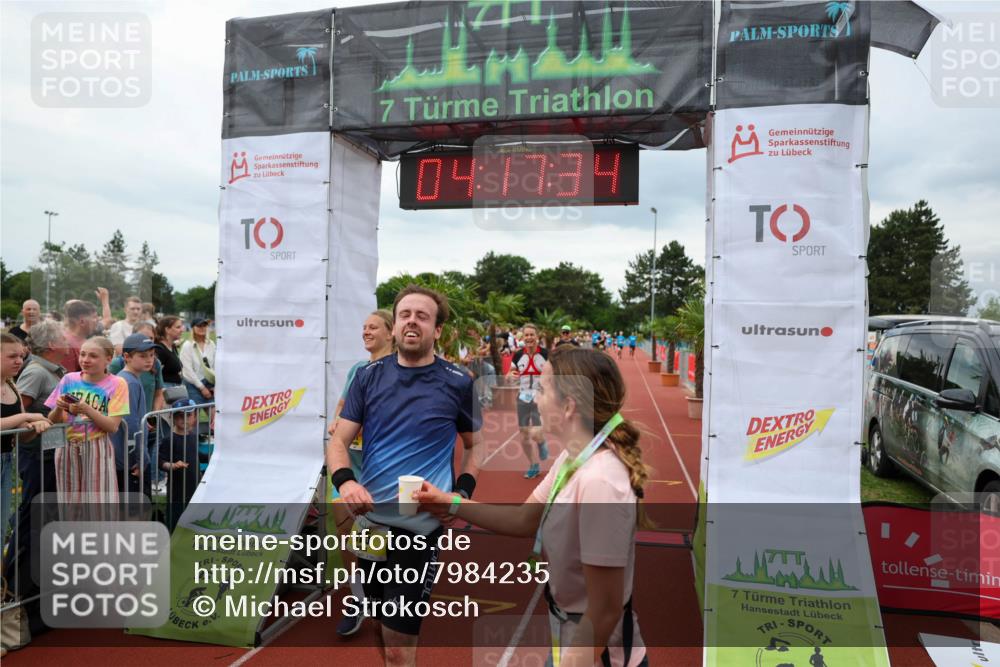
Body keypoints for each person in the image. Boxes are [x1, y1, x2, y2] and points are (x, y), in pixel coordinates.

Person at [416, 347, 650, 667]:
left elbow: (606, 607)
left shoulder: (600, 481)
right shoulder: (573, 458)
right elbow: (524, 518)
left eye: (542, 389)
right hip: (570, 640)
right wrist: (452, 503)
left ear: (568, 406)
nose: (535, 398)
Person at [327, 285, 482, 667]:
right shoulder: (367, 377)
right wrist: (346, 482)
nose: (412, 321)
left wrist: (459, 495)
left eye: (422, 316)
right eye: (405, 315)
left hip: (420, 528)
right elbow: (338, 441)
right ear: (394, 326)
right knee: (382, 626)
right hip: (371, 524)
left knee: (399, 643)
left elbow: (475, 446)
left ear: (437, 330)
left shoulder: (458, 382)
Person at [325, 309, 395, 637]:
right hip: (351, 465)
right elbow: (342, 409)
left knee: (378, 540)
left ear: (391, 333)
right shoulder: (357, 369)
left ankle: (381, 594)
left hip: (383, 468)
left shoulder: (400, 371)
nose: (366, 332)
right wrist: (338, 424)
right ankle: (357, 599)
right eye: (363, 327)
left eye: (373, 327)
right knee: (346, 532)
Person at [45, 336, 129, 505]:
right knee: (69, 502)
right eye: (83, 354)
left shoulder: (118, 383)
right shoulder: (69, 379)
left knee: (97, 504)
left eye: (93, 355)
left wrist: (87, 410)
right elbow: (52, 421)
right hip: (67, 446)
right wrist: (60, 407)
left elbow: (112, 426)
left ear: (108, 359)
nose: (85, 360)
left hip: (96, 446)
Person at [1, 334, 52, 540]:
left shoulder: (12, 385)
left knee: (2, 525)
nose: (19, 361)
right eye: (12, 356)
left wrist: (34, 426)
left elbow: (22, 435)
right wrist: (27, 416)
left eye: (21, 356)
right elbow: (19, 418)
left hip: (6, 461)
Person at [112, 333, 155, 496]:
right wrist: (140, 458)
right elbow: (130, 425)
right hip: (128, 460)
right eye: (142, 356)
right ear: (127, 357)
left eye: (151, 355)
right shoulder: (129, 383)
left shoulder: (126, 379)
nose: (149, 360)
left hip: (123, 457)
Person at [508, 323, 549, 479]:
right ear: (523, 338)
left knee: (536, 432)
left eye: (532, 335)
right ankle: (534, 465)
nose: (529, 338)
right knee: (524, 435)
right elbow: (509, 374)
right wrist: (510, 377)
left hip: (540, 399)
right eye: (527, 335)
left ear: (537, 337)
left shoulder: (546, 354)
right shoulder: (518, 355)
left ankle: (541, 442)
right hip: (523, 398)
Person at [158, 398, 200, 530]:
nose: (185, 419)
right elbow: (161, 462)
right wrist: (173, 465)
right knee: (175, 517)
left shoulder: (193, 436)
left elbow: (197, 456)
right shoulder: (169, 439)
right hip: (177, 489)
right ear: (173, 417)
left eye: (188, 415)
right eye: (180, 416)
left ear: (195, 416)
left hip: (194, 485)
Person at [108, 321, 165, 414]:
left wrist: (153, 417)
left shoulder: (155, 363)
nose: (146, 341)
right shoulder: (118, 364)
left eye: (150, 338)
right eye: (141, 337)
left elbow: (159, 394)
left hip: (146, 419)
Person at [17, 322, 68, 415]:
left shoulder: (53, 370)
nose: (67, 341)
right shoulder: (36, 373)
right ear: (52, 345)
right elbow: (15, 411)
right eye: (64, 339)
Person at [180, 318, 216, 406]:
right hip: (193, 385)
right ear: (193, 328)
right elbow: (187, 370)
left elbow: (215, 365)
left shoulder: (211, 344)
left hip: (210, 384)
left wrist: (216, 385)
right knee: (193, 418)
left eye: (204, 325)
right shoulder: (187, 346)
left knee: (214, 416)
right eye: (199, 326)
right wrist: (201, 387)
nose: (202, 328)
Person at [59, 299, 102, 372]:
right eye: (93, 317)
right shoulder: (66, 344)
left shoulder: (85, 341)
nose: (96, 320)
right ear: (82, 321)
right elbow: (67, 379)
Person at [153, 316, 185, 387]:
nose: (182, 330)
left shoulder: (172, 346)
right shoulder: (159, 349)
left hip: (175, 388)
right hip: (166, 390)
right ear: (167, 329)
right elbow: (155, 375)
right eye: (178, 327)